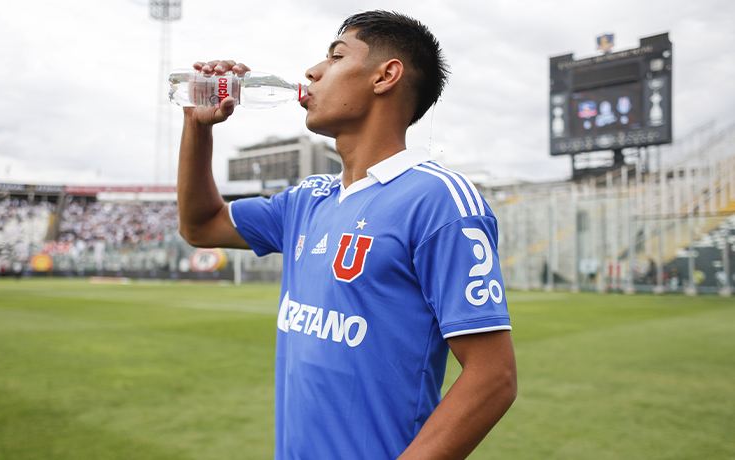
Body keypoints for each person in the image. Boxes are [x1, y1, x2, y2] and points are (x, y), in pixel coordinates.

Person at [177, 10, 516, 460]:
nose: (313, 72)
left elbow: (493, 377)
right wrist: (196, 127)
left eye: (336, 56)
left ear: (385, 76)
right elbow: (200, 225)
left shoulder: (439, 200)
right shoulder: (307, 199)